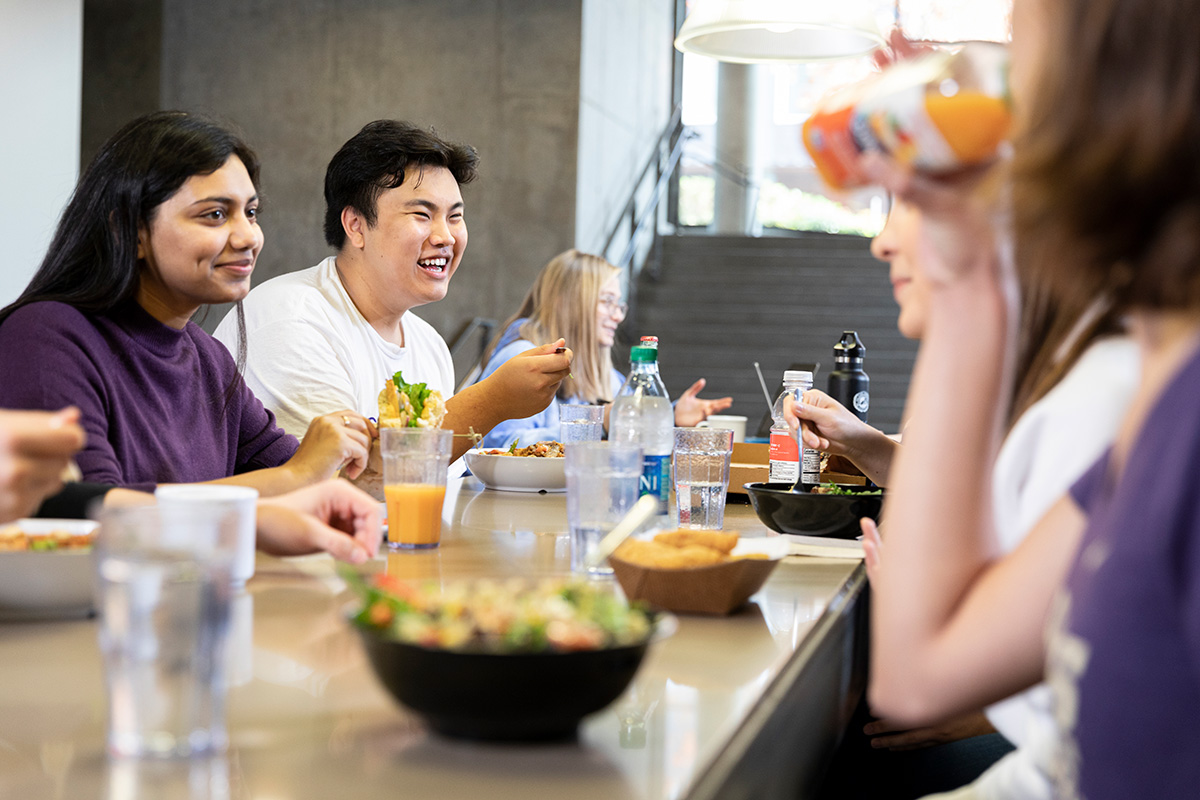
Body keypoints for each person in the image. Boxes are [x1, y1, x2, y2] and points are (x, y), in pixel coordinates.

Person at [836, 0, 1200, 795]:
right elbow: (920, 674)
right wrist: (964, 275)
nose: (998, 126)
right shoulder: (1165, 380)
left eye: (1020, 80)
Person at [806, 197, 1137, 800]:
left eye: (915, 201)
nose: (882, 243)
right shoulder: (1068, 381)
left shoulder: (1098, 398)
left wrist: (982, 700)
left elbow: (925, 674)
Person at [0, 111, 370, 494]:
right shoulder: (44, 337)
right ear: (130, 232)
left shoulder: (209, 358)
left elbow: (302, 480)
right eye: (214, 214)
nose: (248, 237)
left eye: (251, 212)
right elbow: (89, 513)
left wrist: (390, 453)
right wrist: (297, 475)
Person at [213, 120, 573, 480]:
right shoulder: (291, 320)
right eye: (422, 214)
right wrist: (492, 400)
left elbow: (434, 485)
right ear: (355, 225)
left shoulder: (429, 344)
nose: (445, 236)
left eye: (455, 217)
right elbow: (338, 487)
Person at [475, 249, 733, 449]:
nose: (617, 316)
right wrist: (599, 425)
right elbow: (495, 445)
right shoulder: (520, 357)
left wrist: (672, 417)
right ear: (569, 303)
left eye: (619, 305)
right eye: (607, 301)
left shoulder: (608, 375)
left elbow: (630, 424)